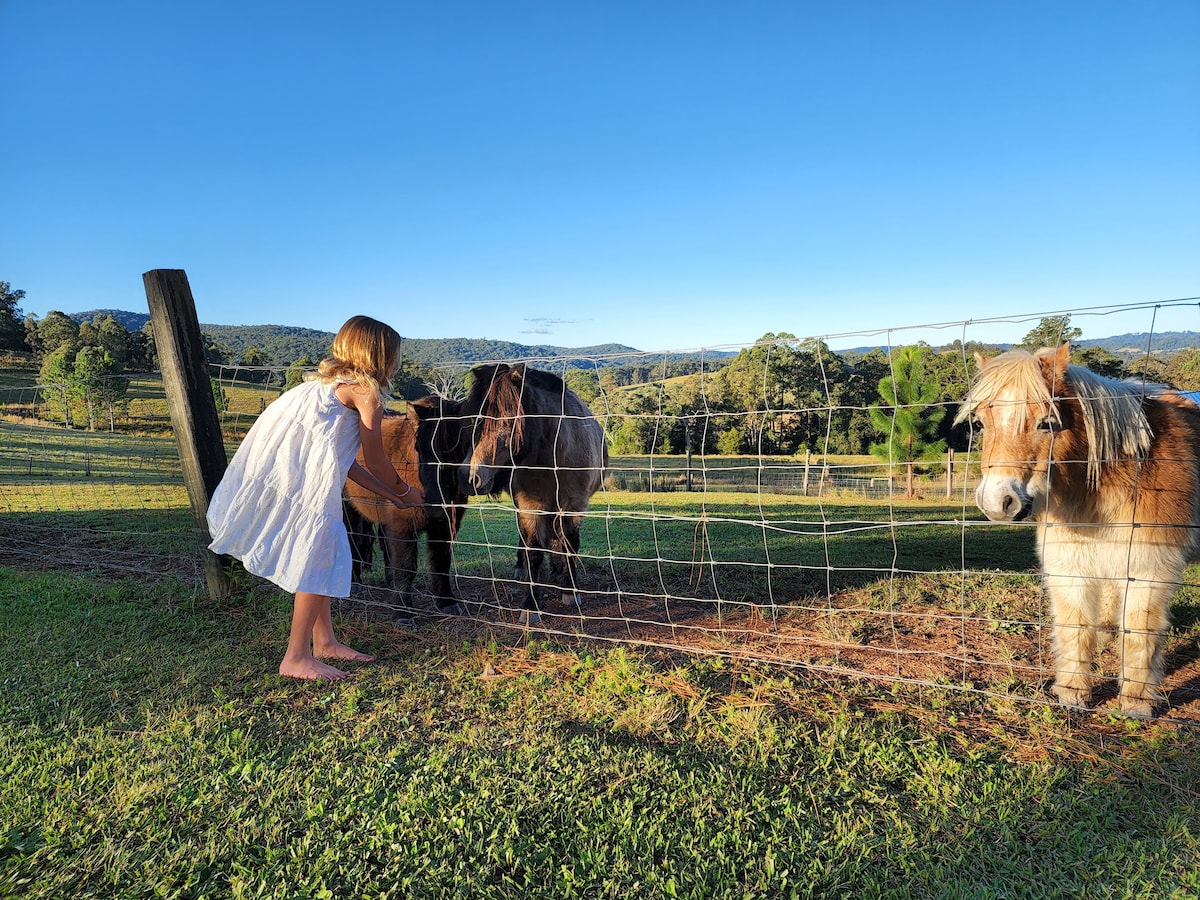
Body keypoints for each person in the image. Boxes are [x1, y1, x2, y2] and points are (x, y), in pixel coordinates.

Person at [207, 315, 425, 681]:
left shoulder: (323, 384)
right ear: (381, 354)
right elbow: (374, 458)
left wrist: (392, 495)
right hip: (308, 487)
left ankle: (324, 641)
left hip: (301, 478)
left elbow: (344, 462)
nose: (398, 361)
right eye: (395, 353)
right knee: (316, 556)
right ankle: (295, 656)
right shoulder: (365, 392)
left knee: (322, 554)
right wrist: (405, 490)